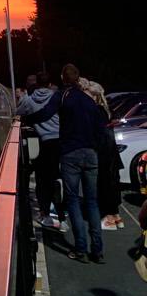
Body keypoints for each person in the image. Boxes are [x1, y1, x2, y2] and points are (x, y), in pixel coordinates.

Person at [25, 64, 105, 263]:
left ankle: (80, 248)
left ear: (62, 77)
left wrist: (26, 118)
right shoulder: (89, 101)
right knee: (92, 202)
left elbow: (44, 114)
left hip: (71, 153)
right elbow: (100, 128)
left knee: (73, 200)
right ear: (78, 79)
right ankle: (98, 250)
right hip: (91, 153)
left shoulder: (62, 96)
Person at [18, 72, 66, 230]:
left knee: (42, 180)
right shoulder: (57, 96)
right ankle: (62, 215)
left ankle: (45, 214)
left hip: (42, 142)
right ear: (50, 83)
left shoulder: (28, 99)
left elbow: (18, 113)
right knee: (58, 177)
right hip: (60, 141)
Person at [80, 78, 123, 230]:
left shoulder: (96, 110)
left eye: (88, 95)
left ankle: (109, 219)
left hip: (103, 150)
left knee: (104, 183)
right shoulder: (107, 108)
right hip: (111, 149)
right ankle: (116, 217)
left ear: (95, 96)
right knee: (113, 182)